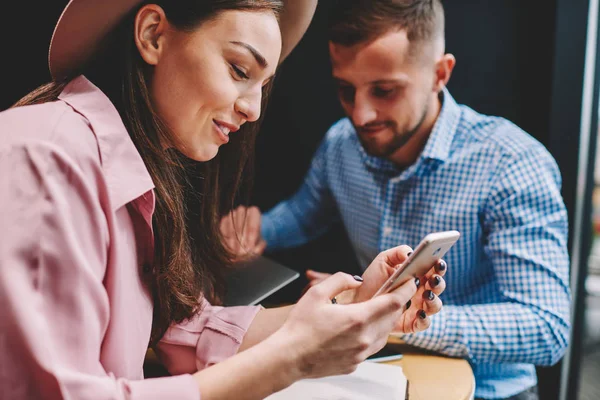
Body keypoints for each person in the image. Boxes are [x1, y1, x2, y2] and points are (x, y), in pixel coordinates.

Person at [0, 1, 449, 399]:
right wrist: (290, 357)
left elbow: (180, 330)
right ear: (153, 34)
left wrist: (351, 308)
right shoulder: (45, 156)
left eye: (262, 84)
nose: (253, 109)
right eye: (239, 70)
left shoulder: (129, 174)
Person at [220, 1, 572, 399]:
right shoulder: (342, 145)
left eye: (384, 91)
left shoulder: (512, 162)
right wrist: (257, 229)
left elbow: (546, 326)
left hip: (488, 390)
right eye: (345, 90)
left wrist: (393, 315)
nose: (361, 114)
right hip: (378, 371)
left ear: (441, 74)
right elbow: (303, 216)